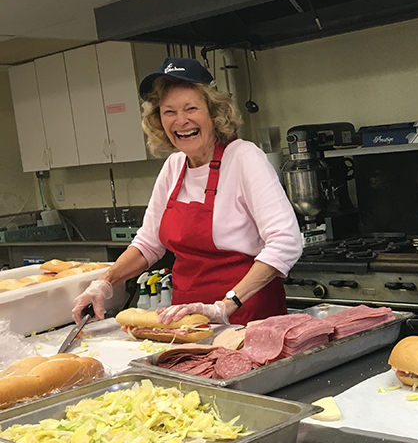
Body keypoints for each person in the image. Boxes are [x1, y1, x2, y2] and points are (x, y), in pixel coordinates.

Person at [72, 57, 302, 326]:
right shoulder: (174, 166)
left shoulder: (243, 157)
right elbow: (148, 244)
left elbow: (286, 242)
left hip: (248, 316)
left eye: (191, 108)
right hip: (188, 320)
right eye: (169, 111)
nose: (181, 121)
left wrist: (225, 305)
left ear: (214, 113)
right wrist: (104, 282)